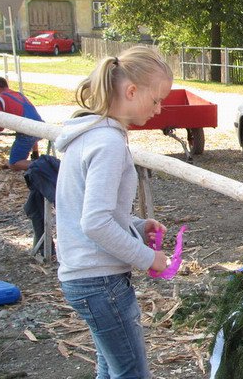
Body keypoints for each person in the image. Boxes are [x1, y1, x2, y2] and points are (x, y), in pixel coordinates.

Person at [55, 46, 173, 378]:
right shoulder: (107, 143)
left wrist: (136, 226)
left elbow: (94, 211)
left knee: (111, 367)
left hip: (87, 278)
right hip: (99, 280)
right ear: (132, 91)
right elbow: (94, 222)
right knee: (131, 372)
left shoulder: (90, 135)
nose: (159, 108)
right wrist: (147, 258)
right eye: (156, 99)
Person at [0, 77, 43, 171]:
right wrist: (35, 152)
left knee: (14, 163)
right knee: (33, 131)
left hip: (26, 131)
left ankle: (44, 166)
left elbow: (0, 127)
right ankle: (36, 156)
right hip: (41, 126)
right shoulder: (18, 94)